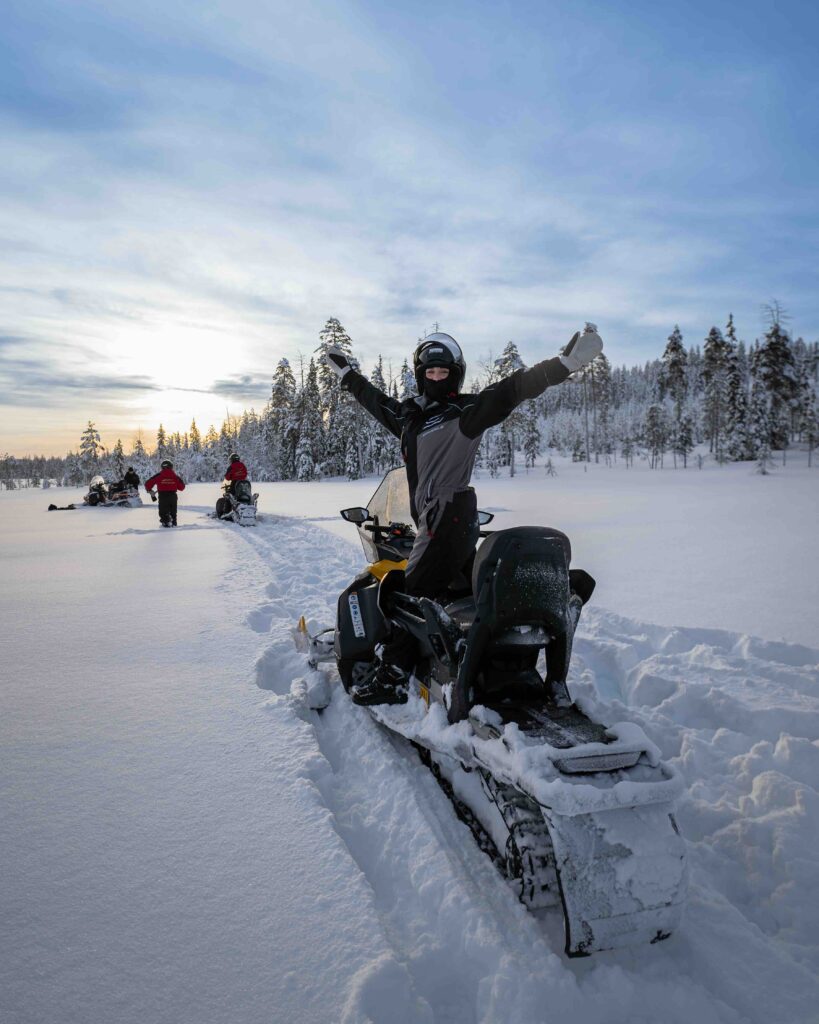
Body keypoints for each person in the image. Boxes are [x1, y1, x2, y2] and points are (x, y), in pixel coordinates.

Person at [324, 324, 603, 705]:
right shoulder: (411, 418)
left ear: (455, 376)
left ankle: (392, 676)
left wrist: (563, 364)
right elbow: (377, 403)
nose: (436, 378)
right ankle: (462, 662)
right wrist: (347, 376)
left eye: (443, 373)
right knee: (453, 592)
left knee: (409, 593)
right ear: (421, 377)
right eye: (430, 373)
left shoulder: (464, 413)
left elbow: (512, 390)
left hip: (447, 515)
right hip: (442, 519)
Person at [145, 459, 186, 527]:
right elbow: (182, 487)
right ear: (171, 467)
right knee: (173, 513)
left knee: (163, 513)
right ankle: (173, 525)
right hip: (173, 496)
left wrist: (149, 490)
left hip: (163, 496)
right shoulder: (175, 476)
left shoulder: (159, 475)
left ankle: (165, 527)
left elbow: (147, 484)